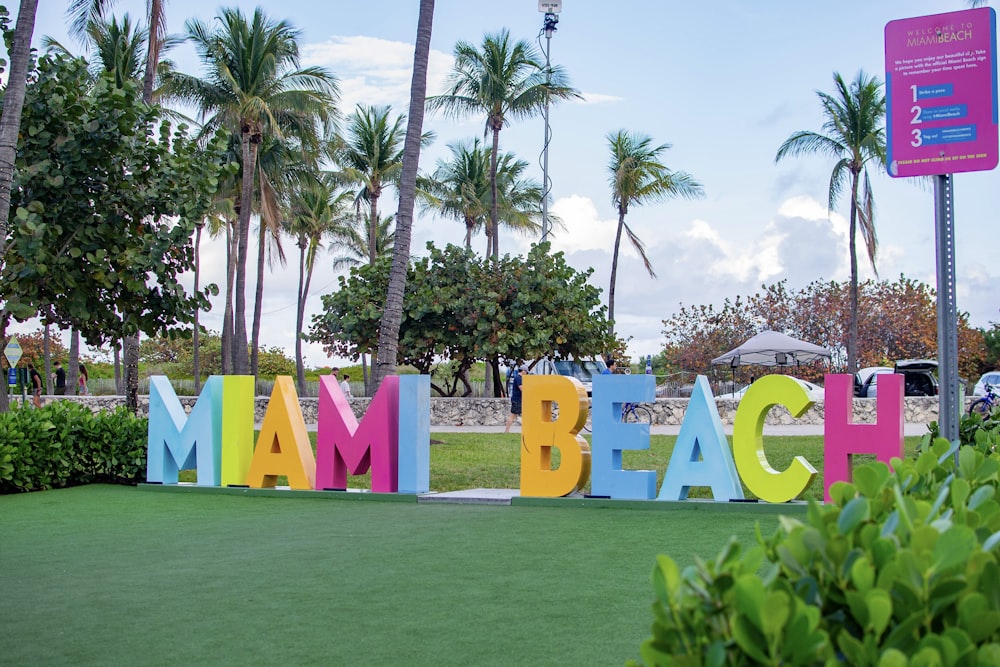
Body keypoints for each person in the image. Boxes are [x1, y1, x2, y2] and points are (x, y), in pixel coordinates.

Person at [504, 363, 528, 433]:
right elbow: (522, 388)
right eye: (526, 372)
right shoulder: (518, 378)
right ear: (523, 371)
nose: (526, 373)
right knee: (513, 415)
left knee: (521, 415)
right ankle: (507, 431)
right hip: (517, 400)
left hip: (519, 399)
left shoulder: (518, 378)